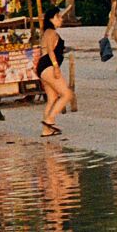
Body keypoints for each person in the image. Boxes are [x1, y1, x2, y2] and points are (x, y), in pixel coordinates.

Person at [39, 9, 74, 137]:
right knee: (67, 94)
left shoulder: (47, 32)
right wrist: (56, 67)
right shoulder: (51, 32)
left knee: (52, 98)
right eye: (58, 17)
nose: (61, 19)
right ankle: (50, 120)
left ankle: (46, 130)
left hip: (43, 66)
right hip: (48, 65)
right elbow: (50, 49)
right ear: (51, 19)